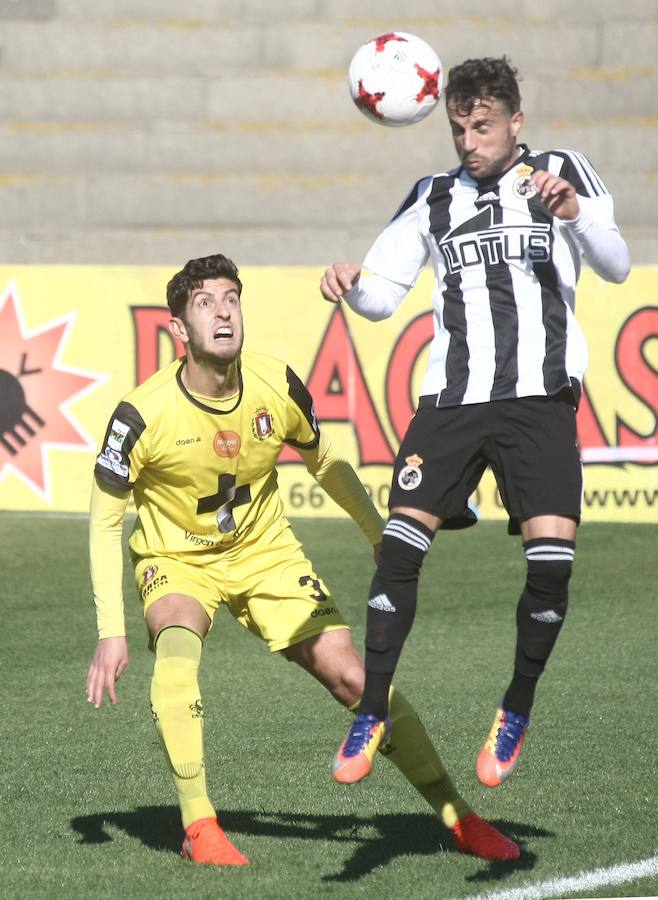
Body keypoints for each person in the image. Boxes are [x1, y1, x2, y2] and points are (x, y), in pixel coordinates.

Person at [86, 253, 520, 867]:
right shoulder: (141, 414)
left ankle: (459, 817)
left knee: (355, 680)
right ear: (179, 330)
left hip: (266, 554)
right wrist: (111, 632)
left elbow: (326, 461)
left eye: (231, 298)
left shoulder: (277, 384)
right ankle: (199, 826)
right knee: (177, 659)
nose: (223, 311)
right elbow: (105, 520)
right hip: (176, 558)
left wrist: (380, 533)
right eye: (205, 303)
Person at [321, 57, 630, 789]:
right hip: (452, 402)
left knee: (551, 569)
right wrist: (350, 286)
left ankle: (515, 705)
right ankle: (371, 710)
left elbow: (617, 265)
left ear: (516, 123)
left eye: (483, 127)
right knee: (398, 549)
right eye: (459, 127)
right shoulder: (431, 197)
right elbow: (383, 297)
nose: (469, 141)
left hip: (540, 401)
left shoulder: (562, 170)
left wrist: (573, 214)